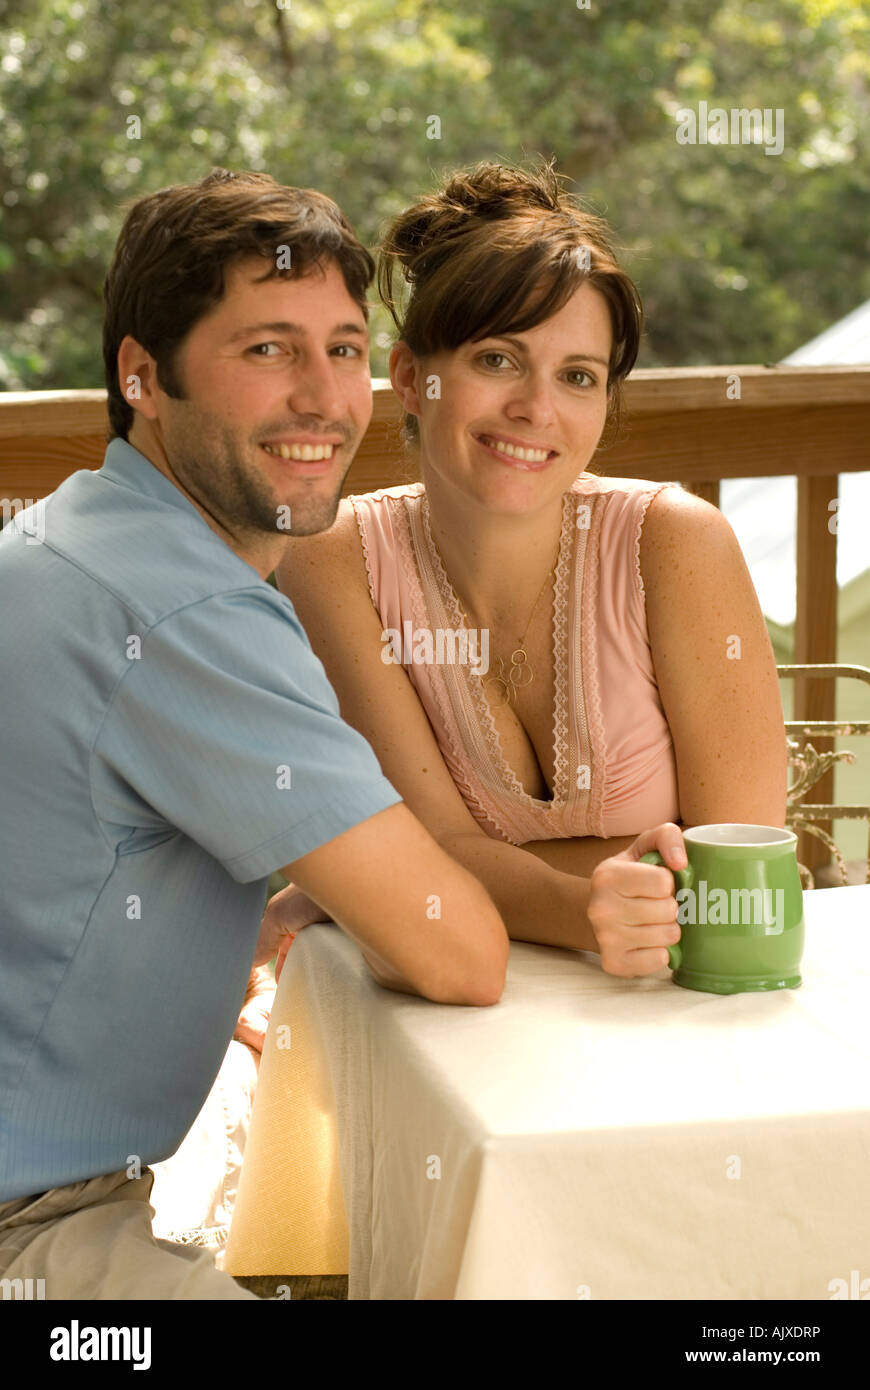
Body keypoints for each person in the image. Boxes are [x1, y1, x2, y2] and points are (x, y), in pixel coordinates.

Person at [0, 167, 510, 1301]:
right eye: (268, 349)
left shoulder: (81, 534)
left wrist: (282, 896)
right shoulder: (185, 608)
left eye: (342, 348)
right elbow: (459, 951)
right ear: (143, 374)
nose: (324, 397)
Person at [269, 159, 787, 975]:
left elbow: (735, 873)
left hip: (690, 996)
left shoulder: (675, 543)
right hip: (470, 1002)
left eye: (577, 377)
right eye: (499, 361)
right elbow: (434, 844)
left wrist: (384, 878)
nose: (536, 410)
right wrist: (588, 902)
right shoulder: (334, 561)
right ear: (411, 376)